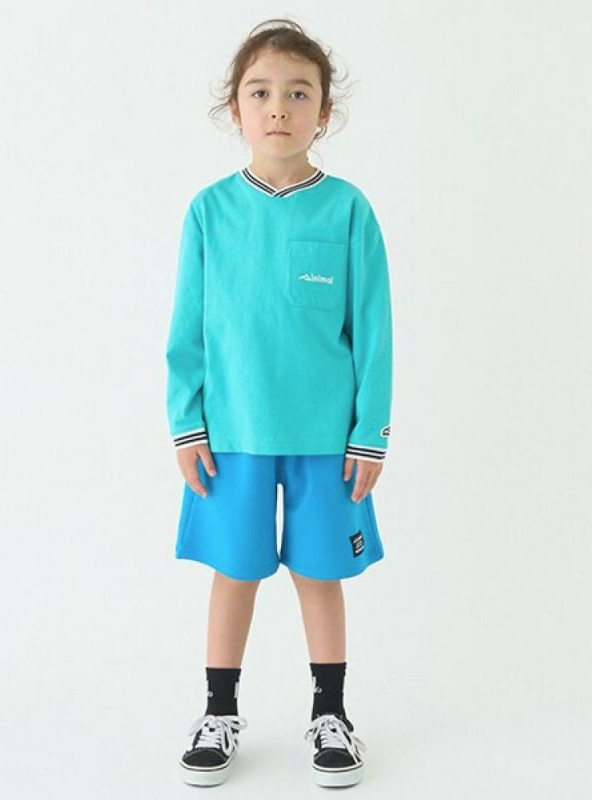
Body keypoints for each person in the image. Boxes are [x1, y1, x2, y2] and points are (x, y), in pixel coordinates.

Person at [165, 18, 393, 788]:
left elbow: (375, 332)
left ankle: (332, 714)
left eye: (299, 93)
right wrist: (186, 424)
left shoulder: (349, 211)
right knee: (233, 571)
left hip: (327, 439)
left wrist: (369, 432)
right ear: (236, 108)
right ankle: (218, 711)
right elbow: (187, 332)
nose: (278, 108)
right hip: (231, 434)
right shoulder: (208, 213)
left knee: (319, 573)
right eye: (260, 92)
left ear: (323, 111)